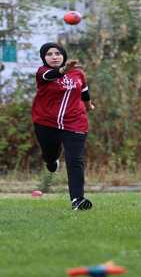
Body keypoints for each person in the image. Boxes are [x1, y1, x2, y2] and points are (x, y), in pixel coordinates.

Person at [31, 42, 95, 210]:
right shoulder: (42, 72)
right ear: (44, 57)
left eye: (57, 53)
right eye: (49, 54)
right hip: (46, 122)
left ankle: (77, 200)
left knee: (75, 160)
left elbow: (84, 92)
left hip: (76, 122)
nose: (54, 57)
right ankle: (52, 161)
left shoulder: (78, 74)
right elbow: (53, 75)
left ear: (63, 55)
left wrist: (88, 106)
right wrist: (64, 70)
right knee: (50, 155)